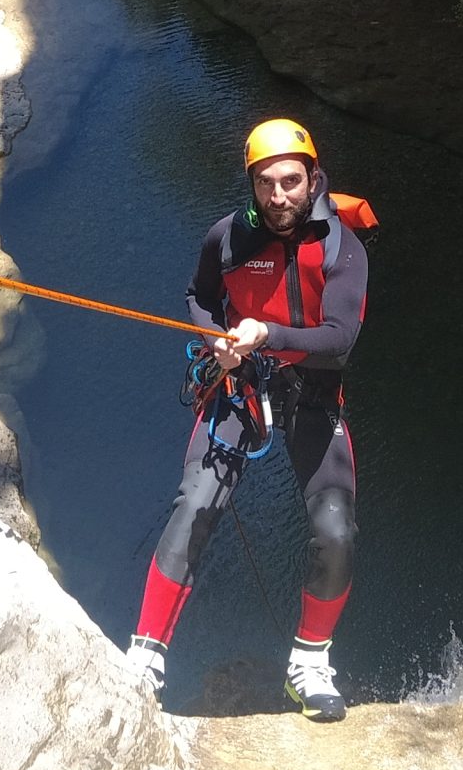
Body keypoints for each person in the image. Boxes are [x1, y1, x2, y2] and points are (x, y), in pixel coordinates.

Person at [127, 118, 366, 721]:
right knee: (196, 504)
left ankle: (309, 663)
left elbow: (339, 339)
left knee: (336, 532)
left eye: (292, 181)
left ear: (313, 178)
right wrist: (216, 342)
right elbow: (200, 299)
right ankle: (145, 655)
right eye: (267, 184)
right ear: (252, 185)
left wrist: (265, 334)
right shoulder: (227, 238)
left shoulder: (342, 247)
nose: (280, 196)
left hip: (313, 390)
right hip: (240, 388)